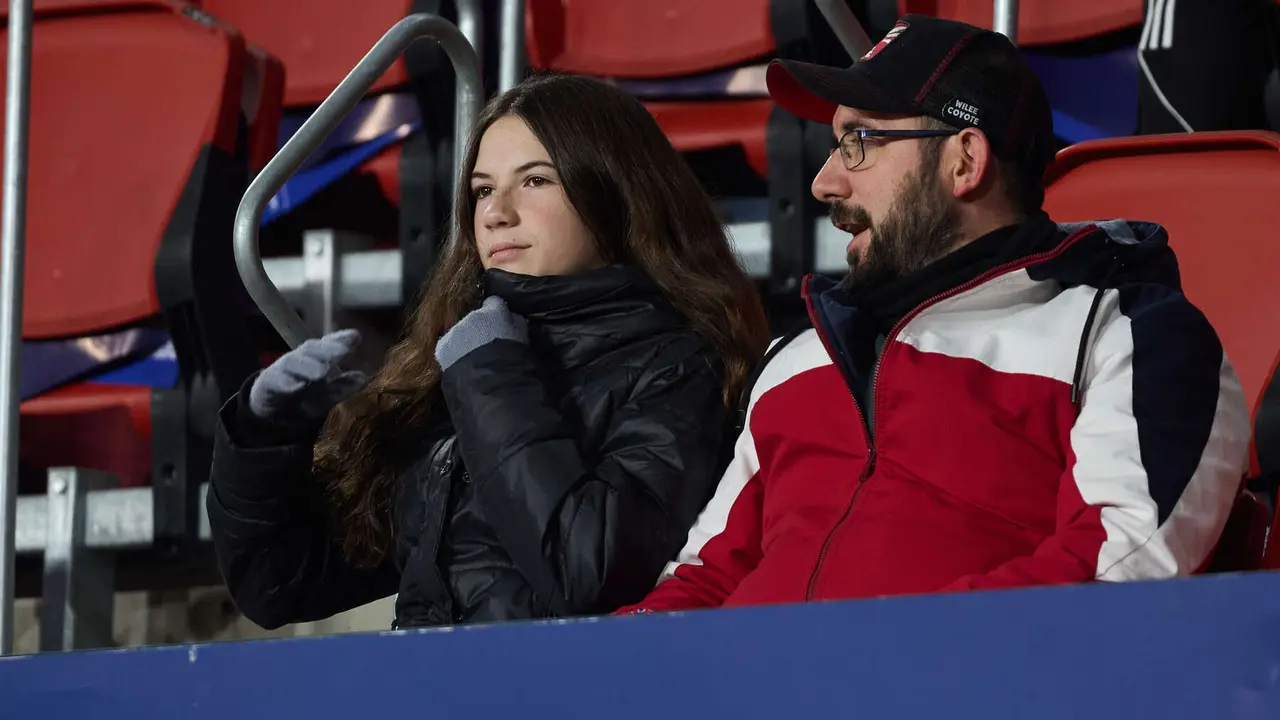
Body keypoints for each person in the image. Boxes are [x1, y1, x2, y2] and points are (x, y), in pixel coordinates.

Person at [619, 15, 1251, 614]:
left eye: (858, 144)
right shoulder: (798, 356)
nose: (823, 183)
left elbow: (1123, 565)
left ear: (964, 161)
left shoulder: (1126, 333)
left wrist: (876, 651)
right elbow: (704, 578)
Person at [207, 73, 771, 629]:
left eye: (535, 181)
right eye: (481, 189)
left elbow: (589, 573)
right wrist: (263, 438)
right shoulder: (456, 361)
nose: (497, 212)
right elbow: (278, 587)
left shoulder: (676, 366)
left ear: (615, 193)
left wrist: (491, 375)